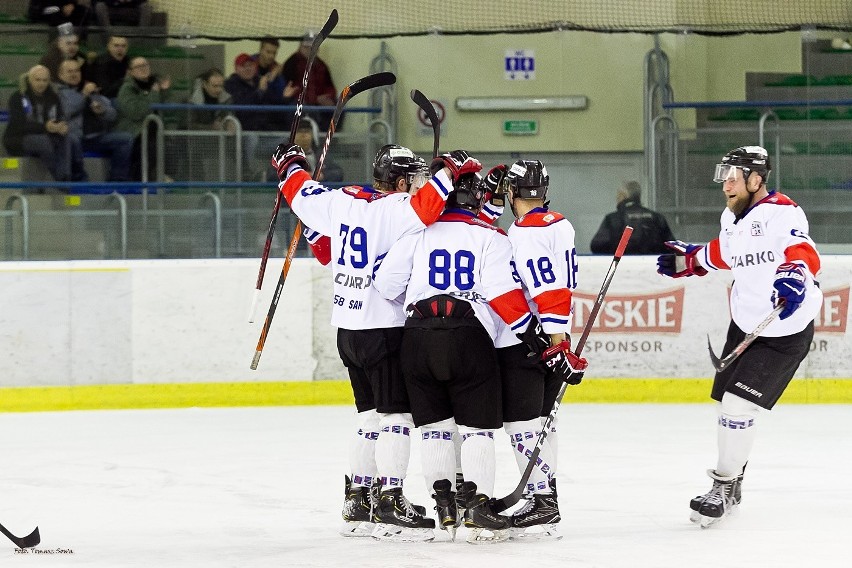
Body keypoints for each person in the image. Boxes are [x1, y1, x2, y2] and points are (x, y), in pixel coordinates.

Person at [272, 142, 478, 542]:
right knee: (396, 418)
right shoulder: (395, 209)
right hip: (382, 328)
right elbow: (428, 207)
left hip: (347, 330)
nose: (417, 185)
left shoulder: (340, 201)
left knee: (367, 417)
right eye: (412, 178)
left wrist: (289, 164)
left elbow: (297, 190)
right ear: (400, 181)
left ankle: (357, 496)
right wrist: (450, 170)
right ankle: (390, 500)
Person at [373, 169, 556, 544]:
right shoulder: (491, 236)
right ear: (475, 199)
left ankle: (445, 507)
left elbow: (386, 283)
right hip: (469, 336)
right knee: (478, 431)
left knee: (435, 428)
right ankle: (478, 508)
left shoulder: (416, 233)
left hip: (418, 336)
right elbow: (501, 291)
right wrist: (533, 334)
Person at [656, 146, 822, 528]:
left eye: (734, 175)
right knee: (728, 408)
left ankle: (724, 485)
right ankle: (734, 478)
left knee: (736, 405)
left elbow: (801, 248)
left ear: (756, 179)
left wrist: (796, 270)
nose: (725, 183)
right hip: (745, 322)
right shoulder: (732, 218)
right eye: (723, 174)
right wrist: (693, 260)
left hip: (784, 326)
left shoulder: (783, 212)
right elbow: (727, 252)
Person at [479, 161, 588, 540]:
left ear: (512, 193)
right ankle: (546, 494)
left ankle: (543, 500)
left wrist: (551, 343)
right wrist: (562, 341)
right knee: (542, 423)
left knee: (524, 425)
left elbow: (547, 289)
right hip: (554, 339)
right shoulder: (561, 222)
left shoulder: (525, 232)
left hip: (528, 343)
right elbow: (560, 287)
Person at [55, 58, 133, 181]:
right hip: (74, 138)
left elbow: (112, 115)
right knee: (72, 139)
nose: (74, 74)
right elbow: (67, 111)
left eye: (77, 71)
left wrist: (102, 111)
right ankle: (78, 179)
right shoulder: (57, 93)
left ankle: (117, 180)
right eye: (70, 71)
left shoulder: (90, 90)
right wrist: (84, 96)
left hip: (95, 136)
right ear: (60, 74)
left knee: (125, 139)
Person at [3, 65, 72, 182]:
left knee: (68, 138)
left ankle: (68, 177)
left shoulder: (53, 97)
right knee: (42, 141)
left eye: (45, 80)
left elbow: (59, 116)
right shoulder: (18, 97)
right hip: (18, 138)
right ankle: (60, 180)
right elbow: (19, 125)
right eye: (37, 80)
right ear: (30, 80)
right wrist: (45, 127)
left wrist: (61, 126)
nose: (41, 83)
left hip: (47, 134)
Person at [115, 56, 173, 180]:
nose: (143, 68)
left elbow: (167, 109)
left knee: (171, 144)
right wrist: (154, 94)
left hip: (154, 130)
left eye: (145, 65)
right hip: (135, 132)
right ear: (130, 71)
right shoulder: (127, 89)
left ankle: (163, 178)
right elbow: (136, 112)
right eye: (138, 66)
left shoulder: (154, 85)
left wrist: (165, 91)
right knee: (149, 146)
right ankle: (142, 182)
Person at [590, 180, 675, 255]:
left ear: (622, 196)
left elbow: (597, 246)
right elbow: (672, 247)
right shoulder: (657, 218)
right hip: (654, 268)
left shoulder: (613, 219)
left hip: (621, 267)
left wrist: (615, 250)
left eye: (618, 195)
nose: (616, 198)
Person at [281, 31, 337, 130]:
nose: (309, 50)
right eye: (306, 47)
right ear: (300, 47)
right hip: (298, 102)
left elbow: (330, 87)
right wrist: (315, 99)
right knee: (307, 109)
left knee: (339, 107)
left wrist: (328, 97)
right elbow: (291, 89)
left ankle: (328, 140)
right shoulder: (291, 63)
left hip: (318, 103)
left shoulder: (321, 66)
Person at [89, 35, 129, 100]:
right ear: (109, 47)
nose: (120, 49)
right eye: (116, 46)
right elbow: (105, 91)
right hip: (105, 98)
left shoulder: (127, 61)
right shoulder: (101, 63)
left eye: (123, 46)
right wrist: (125, 80)